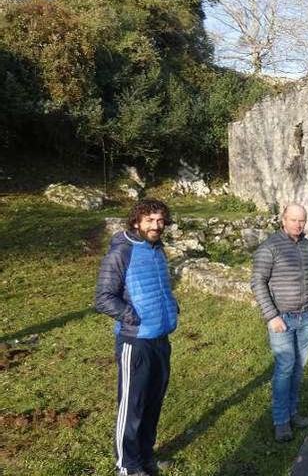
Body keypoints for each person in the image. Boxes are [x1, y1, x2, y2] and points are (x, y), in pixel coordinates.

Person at [95, 199, 178, 476]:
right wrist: (133, 317)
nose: (156, 226)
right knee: (133, 404)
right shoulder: (121, 253)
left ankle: (145, 457)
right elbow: (103, 299)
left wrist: (171, 304)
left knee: (153, 402)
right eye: (149, 221)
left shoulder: (158, 250)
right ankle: (127, 465)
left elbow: (159, 285)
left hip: (160, 339)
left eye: (160, 220)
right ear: (136, 222)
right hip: (136, 341)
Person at [251, 203, 308, 442]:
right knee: (285, 368)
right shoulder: (269, 247)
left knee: (298, 368)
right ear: (283, 220)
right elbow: (258, 283)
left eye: (302, 220)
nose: (298, 224)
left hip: (307, 318)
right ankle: (281, 420)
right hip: (282, 319)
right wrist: (271, 316)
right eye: (293, 220)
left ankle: (294, 413)